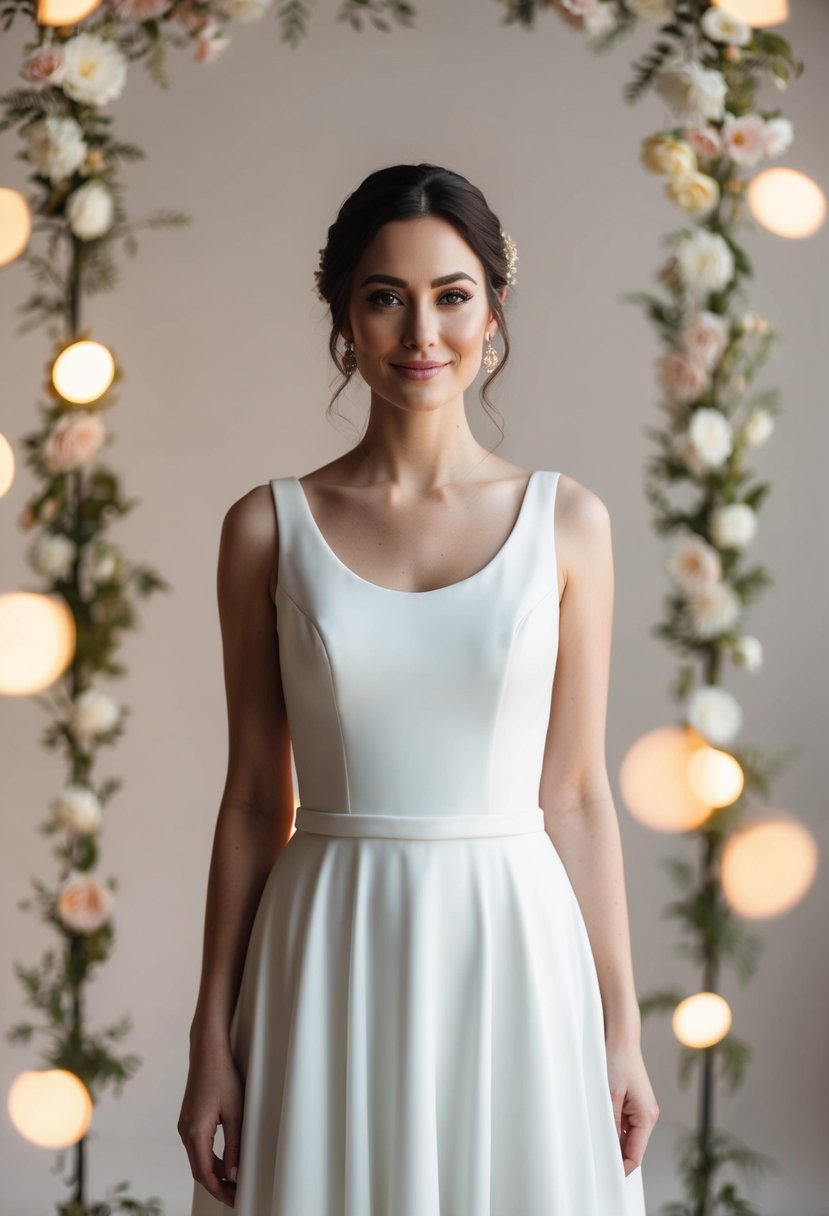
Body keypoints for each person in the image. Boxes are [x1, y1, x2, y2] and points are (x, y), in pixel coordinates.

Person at [178, 161, 659, 1215]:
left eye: (450, 295)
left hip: (515, 951)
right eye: (385, 297)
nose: (420, 332)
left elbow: (575, 794)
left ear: (492, 310)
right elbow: (257, 800)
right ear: (345, 320)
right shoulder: (266, 528)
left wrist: (620, 1029)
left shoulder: (568, 523)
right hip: (327, 949)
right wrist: (209, 1035)